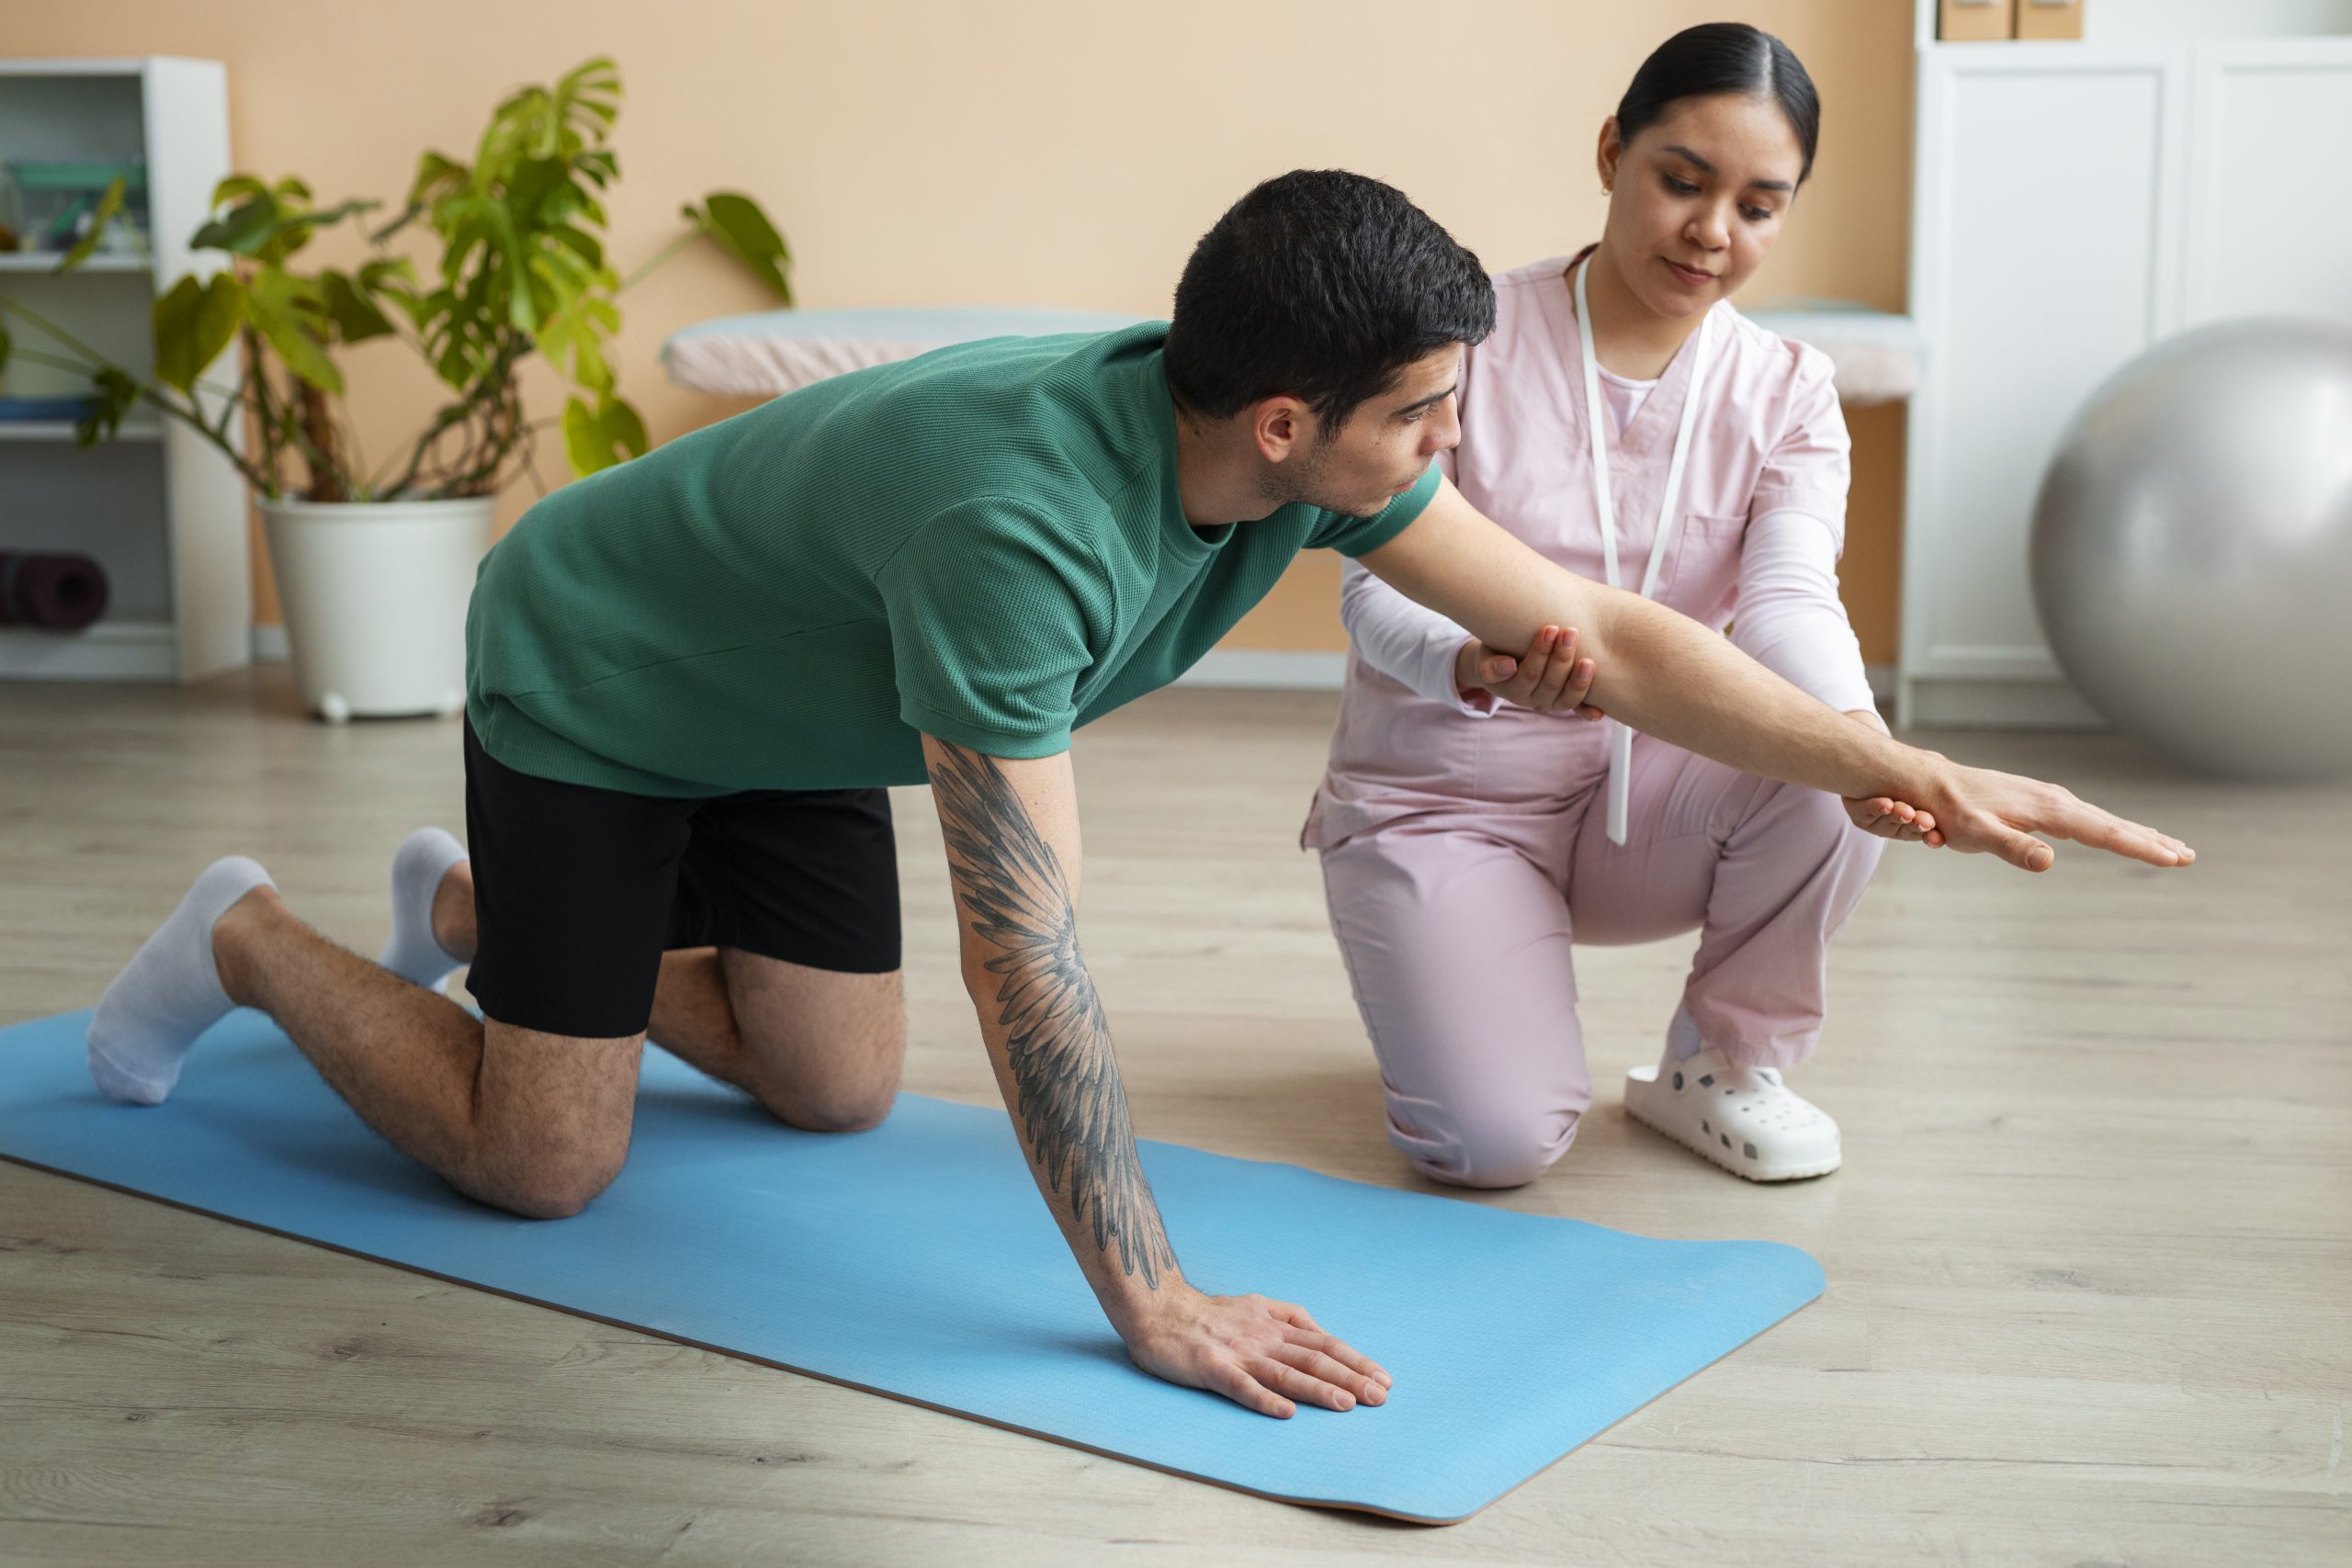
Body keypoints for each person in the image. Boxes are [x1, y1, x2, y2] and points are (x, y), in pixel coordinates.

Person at [85, 167, 2191, 1423]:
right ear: (1286, 417)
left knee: (822, 1085)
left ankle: (482, 916)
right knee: (545, 1163)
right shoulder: (1030, 536)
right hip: (611, 670)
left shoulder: (1288, 464)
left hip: (798, 698)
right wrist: (1148, 1300)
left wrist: (1894, 763)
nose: (1448, 449)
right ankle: (259, 931)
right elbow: (1031, 946)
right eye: (1424, 416)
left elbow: (1609, 630)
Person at [1305, 23, 1927, 1191]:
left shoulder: (1788, 391)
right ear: (1612, 154)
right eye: (1681, 182)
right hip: (1453, 802)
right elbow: (1370, 593)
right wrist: (1475, 665)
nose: (1711, 232)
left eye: (1758, 204)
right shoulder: (1464, 339)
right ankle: (1456, 985)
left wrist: (1865, 747)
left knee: (1844, 764)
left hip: (1660, 801)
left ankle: (1720, 1065)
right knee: (1489, 1148)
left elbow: (1792, 600)